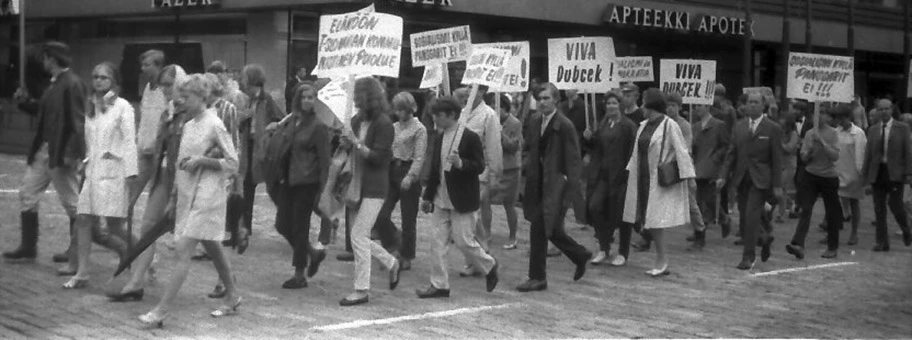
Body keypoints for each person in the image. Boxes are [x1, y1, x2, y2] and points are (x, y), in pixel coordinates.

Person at [138, 74, 241, 328]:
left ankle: (161, 311)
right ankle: (233, 294)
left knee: (183, 249)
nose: (182, 101)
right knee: (212, 244)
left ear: (201, 97)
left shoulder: (215, 123)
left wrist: (202, 162)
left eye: (187, 96)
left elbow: (233, 163)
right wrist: (174, 197)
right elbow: (180, 163)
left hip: (209, 195)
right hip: (188, 194)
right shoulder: (187, 125)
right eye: (181, 96)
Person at [107, 64, 188, 303]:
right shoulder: (168, 113)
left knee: (200, 240)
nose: (164, 90)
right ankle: (135, 283)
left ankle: (228, 283)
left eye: (168, 85)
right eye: (162, 85)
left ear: (180, 84)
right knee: (148, 230)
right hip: (163, 177)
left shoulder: (190, 113)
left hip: (184, 182)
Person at [3, 42, 85, 264]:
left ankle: (76, 249)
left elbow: (77, 122)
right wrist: (24, 103)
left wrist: (71, 153)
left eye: (46, 57)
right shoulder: (56, 83)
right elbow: (44, 111)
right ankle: (28, 246)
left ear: (53, 58)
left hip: (59, 150)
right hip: (45, 148)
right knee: (28, 192)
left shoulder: (71, 84)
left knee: (72, 203)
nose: (44, 62)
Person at [62, 62, 138, 289]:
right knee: (83, 219)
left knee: (115, 226)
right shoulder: (91, 106)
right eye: (95, 77)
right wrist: (83, 160)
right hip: (92, 171)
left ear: (114, 80)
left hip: (113, 172)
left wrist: (131, 174)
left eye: (104, 77)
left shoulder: (123, 107)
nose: (98, 81)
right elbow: (88, 139)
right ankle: (83, 272)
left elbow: (129, 142)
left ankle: (146, 254)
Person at [416, 96, 499, 299]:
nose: (435, 119)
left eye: (439, 115)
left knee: (463, 241)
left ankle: (489, 265)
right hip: (440, 198)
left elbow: (479, 165)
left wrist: (461, 163)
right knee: (437, 243)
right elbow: (436, 170)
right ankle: (439, 284)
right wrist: (428, 196)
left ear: (451, 115)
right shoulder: (439, 137)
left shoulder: (469, 137)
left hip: (462, 197)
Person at [516, 83, 592, 292]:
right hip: (537, 183)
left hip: (556, 185)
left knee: (539, 229)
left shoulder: (564, 125)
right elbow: (530, 148)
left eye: (546, 98)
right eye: (539, 98)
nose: (542, 102)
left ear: (556, 100)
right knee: (552, 229)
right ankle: (579, 254)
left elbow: (574, 160)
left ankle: (537, 277)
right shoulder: (534, 121)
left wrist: (569, 187)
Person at [337, 77, 401, 306]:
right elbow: (348, 148)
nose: (354, 99)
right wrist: (344, 142)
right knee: (359, 237)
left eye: (358, 95)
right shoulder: (356, 120)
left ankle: (362, 289)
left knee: (358, 236)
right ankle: (391, 262)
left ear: (368, 97)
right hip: (355, 184)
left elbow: (380, 158)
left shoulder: (384, 123)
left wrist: (356, 144)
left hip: (374, 186)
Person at [261, 83, 331, 289]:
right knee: (282, 224)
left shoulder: (318, 126)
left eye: (312, 97)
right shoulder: (291, 121)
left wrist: (324, 190)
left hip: (307, 183)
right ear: (298, 99)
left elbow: (325, 161)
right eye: (305, 97)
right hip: (287, 180)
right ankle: (312, 253)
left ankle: (299, 274)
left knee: (300, 228)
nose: (309, 100)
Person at [620, 89, 695, 276]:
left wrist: (690, 177)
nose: (642, 107)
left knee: (655, 220)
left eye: (645, 103)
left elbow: (681, 151)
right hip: (641, 177)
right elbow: (636, 152)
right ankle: (660, 259)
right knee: (646, 218)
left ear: (651, 105)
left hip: (657, 179)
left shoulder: (670, 126)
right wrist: (629, 171)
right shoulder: (643, 125)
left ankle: (662, 260)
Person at [719, 92, 783, 270]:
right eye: (750, 102)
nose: (753, 105)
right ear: (745, 106)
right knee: (745, 217)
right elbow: (731, 153)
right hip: (741, 178)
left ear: (763, 105)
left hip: (761, 179)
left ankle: (748, 256)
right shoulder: (739, 127)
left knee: (752, 216)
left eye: (756, 102)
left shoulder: (772, 128)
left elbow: (777, 159)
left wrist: (777, 185)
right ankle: (763, 238)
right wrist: (723, 175)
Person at [373, 91, 428, 271]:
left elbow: (420, 157)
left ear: (409, 109)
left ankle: (407, 254)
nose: (398, 113)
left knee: (408, 218)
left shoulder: (419, 129)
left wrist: (411, 176)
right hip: (391, 169)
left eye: (401, 109)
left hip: (408, 168)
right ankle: (393, 243)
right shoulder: (394, 126)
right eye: (396, 109)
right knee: (381, 214)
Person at [453, 85, 503, 276]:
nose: (468, 91)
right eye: (467, 86)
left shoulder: (488, 115)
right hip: (460, 171)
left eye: (475, 88)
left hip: (480, 173)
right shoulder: (461, 113)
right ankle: (480, 255)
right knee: (470, 217)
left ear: (483, 92)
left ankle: (481, 257)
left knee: (472, 216)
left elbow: (493, 147)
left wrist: (495, 175)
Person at [237, 64, 286, 252]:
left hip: (264, 150)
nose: (242, 81)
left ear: (252, 80)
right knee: (246, 187)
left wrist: (270, 128)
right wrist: (243, 118)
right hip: (249, 148)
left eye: (244, 78)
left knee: (273, 189)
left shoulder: (267, 100)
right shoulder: (246, 101)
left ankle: (287, 220)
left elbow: (281, 120)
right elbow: (240, 123)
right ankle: (244, 229)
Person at [583, 91, 636, 265]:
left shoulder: (628, 126)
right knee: (595, 207)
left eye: (614, 103)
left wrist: (628, 175)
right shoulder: (604, 124)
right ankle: (604, 248)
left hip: (621, 177)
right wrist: (589, 139)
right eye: (608, 103)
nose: (611, 106)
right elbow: (596, 148)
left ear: (620, 104)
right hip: (602, 176)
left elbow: (632, 152)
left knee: (621, 214)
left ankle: (623, 252)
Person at [786, 106, 844, 260]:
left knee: (831, 213)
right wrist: (810, 149)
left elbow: (835, 157)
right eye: (817, 113)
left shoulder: (833, 133)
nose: (820, 116)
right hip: (811, 175)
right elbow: (804, 159)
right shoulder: (809, 134)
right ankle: (798, 243)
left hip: (829, 177)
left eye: (823, 113)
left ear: (828, 117)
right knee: (806, 209)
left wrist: (823, 143)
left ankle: (832, 247)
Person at [862, 98, 912, 251]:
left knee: (896, 205)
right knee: (879, 208)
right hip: (878, 172)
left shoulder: (902, 128)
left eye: (887, 109)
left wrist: (909, 173)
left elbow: (908, 152)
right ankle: (882, 241)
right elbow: (868, 154)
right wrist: (865, 176)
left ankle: (906, 229)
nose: (884, 112)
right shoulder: (873, 130)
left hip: (895, 172)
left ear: (892, 110)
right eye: (881, 109)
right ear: (877, 111)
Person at [665, 92, 707, 251]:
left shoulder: (684, 125)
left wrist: (689, 175)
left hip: (681, 168)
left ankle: (700, 232)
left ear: (679, 107)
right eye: (668, 105)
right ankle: (648, 236)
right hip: (664, 167)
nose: (670, 109)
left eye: (673, 106)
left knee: (690, 203)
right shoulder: (662, 123)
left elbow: (686, 150)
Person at [688, 101, 732, 248]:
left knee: (709, 198)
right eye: (695, 106)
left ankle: (721, 219)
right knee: (698, 201)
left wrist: (715, 158)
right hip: (697, 165)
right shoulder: (694, 126)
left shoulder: (719, 125)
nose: (697, 108)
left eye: (699, 105)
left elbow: (725, 145)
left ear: (707, 106)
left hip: (711, 166)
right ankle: (700, 232)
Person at [132, 50, 168, 207]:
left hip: (159, 151)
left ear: (158, 66)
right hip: (143, 149)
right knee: (131, 189)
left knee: (157, 194)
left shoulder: (167, 89)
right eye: (142, 64)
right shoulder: (147, 87)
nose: (142, 68)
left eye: (147, 65)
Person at [489, 93, 523, 250]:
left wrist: (500, 133)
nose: (496, 112)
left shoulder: (514, 123)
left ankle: (513, 236)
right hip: (493, 166)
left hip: (510, 168)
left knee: (509, 204)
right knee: (483, 200)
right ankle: (485, 233)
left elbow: (513, 147)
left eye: (499, 109)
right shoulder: (490, 121)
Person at [832, 105, 867, 246]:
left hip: (854, 173)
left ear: (848, 117)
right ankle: (832, 231)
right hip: (838, 171)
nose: (839, 121)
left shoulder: (858, 133)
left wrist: (862, 174)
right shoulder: (835, 132)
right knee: (834, 204)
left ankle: (854, 233)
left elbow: (862, 153)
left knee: (854, 203)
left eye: (841, 117)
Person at [775, 112, 800, 223]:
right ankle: (792, 205)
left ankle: (781, 214)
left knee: (781, 188)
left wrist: (778, 143)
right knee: (781, 189)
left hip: (789, 164)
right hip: (779, 163)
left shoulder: (794, 134)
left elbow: (789, 148)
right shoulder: (780, 132)